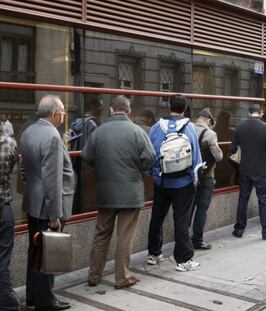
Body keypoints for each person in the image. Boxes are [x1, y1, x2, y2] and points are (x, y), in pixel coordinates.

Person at [82, 95, 155, 289]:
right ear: (129, 112)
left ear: (112, 110)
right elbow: (150, 158)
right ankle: (122, 277)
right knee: (125, 236)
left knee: (101, 234)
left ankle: (93, 275)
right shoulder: (138, 132)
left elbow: (86, 157)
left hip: (105, 192)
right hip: (130, 193)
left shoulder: (99, 131)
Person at [20, 95, 74, 311]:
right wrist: (54, 216)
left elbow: (24, 170)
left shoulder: (28, 131)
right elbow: (52, 179)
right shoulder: (52, 136)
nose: (63, 116)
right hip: (47, 206)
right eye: (62, 112)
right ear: (54, 114)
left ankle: (33, 296)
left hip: (33, 201)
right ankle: (46, 301)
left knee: (35, 252)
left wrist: (32, 187)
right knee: (47, 254)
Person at [147, 94, 203, 272]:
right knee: (181, 220)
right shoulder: (190, 127)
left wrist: (156, 175)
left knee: (157, 218)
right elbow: (196, 157)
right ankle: (183, 259)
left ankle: (154, 253)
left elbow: (151, 155)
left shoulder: (156, 127)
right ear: (185, 108)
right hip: (183, 182)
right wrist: (195, 179)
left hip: (162, 182)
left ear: (168, 106)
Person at [230, 104, 266, 240]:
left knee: (243, 199)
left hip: (244, 170)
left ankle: (239, 229)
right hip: (262, 169)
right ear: (261, 113)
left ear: (249, 112)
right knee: (263, 200)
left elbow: (232, 148)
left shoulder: (240, 127)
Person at [191, 108, 223, 249]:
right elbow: (218, 156)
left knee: (188, 209)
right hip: (206, 176)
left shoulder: (187, 130)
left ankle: (182, 239)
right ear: (208, 121)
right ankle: (197, 240)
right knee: (201, 209)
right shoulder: (210, 134)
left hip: (189, 176)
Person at [0, 124, 20, 311]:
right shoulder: (10, 144)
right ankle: (5, 299)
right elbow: (13, 164)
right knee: (3, 257)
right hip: (3, 207)